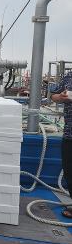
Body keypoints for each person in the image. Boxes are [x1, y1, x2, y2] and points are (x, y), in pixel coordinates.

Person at [50, 71, 72, 218]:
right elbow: (53, 95)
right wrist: (62, 97)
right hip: (69, 133)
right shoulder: (69, 76)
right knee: (69, 170)